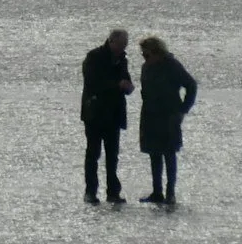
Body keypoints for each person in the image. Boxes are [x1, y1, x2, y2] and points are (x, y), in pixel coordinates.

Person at [136, 35, 198, 206]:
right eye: (143, 55)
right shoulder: (146, 68)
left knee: (169, 153)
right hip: (150, 115)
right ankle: (157, 192)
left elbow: (191, 85)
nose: (145, 58)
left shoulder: (172, 66)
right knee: (154, 154)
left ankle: (170, 193)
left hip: (169, 115)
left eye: (147, 55)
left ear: (157, 52)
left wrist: (183, 110)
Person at [80, 28, 133, 204]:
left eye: (125, 45)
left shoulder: (122, 60)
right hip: (94, 113)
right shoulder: (94, 57)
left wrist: (128, 86)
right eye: (121, 45)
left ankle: (113, 192)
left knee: (112, 155)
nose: (123, 48)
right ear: (111, 41)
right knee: (93, 153)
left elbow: (126, 78)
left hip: (114, 114)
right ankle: (90, 191)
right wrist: (117, 85)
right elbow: (92, 82)